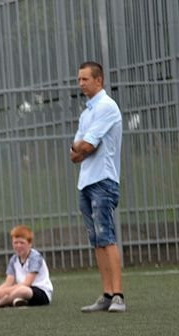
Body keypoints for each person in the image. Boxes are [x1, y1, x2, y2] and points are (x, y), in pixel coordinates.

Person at [70, 61, 125, 313]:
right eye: (79, 79)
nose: (80, 84)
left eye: (85, 79)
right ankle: (105, 294)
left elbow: (87, 147)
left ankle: (118, 295)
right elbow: (75, 153)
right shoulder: (86, 113)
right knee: (96, 240)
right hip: (86, 181)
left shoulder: (106, 107)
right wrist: (81, 146)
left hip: (103, 180)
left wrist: (82, 146)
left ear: (99, 80)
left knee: (106, 237)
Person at [0, 225, 53, 309]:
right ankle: (16, 300)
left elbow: (27, 283)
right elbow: (8, 282)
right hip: (18, 289)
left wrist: (3, 292)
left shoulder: (35, 257)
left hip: (39, 292)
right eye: (15, 243)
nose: (18, 246)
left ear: (30, 243)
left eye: (22, 243)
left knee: (23, 291)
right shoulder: (14, 259)